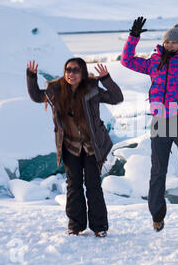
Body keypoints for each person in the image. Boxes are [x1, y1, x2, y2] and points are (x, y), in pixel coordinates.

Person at [121, 17, 178, 231]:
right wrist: (133, 37)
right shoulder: (154, 62)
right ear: (163, 43)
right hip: (159, 121)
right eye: (167, 42)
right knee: (158, 170)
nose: (170, 45)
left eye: (174, 42)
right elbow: (127, 60)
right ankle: (157, 216)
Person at [26, 58, 123, 237]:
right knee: (73, 186)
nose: (71, 74)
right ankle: (75, 225)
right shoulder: (55, 90)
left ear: (83, 72)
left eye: (76, 70)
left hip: (92, 147)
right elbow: (36, 96)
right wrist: (31, 77)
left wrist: (106, 79)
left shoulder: (92, 89)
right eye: (68, 70)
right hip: (70, 146)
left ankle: (99, 226)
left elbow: (117, 98)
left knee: (93, 186)